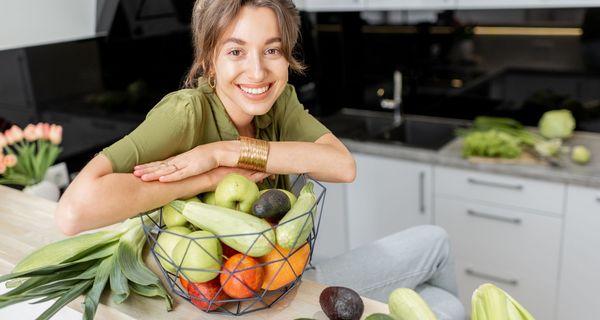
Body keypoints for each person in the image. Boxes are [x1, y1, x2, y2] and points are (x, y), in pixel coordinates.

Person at [55, 1, 464, 318]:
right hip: (239, 298)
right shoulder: (186, 111)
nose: (257, 71)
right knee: (437, 244)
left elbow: (342, 165)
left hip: (281, 276)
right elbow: (73, 212)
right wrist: (206, 178)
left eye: (272, 50)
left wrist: (226, 151)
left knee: (443, 306)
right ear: (209, 57)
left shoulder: (277, 103)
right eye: (236, 50)